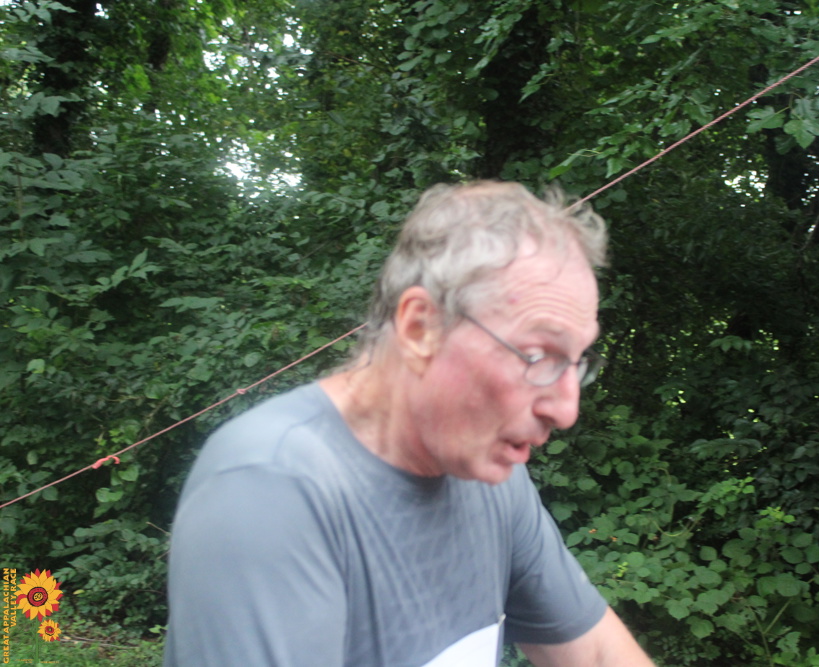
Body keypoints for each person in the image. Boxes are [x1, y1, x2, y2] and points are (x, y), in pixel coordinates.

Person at [163, 181, 655, 667]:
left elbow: (595, 653)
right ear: (421, 328)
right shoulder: (270, 484)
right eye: (537, 355)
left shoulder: (491, 477)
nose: (566, 410)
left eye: (576, 361)